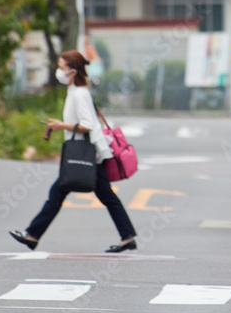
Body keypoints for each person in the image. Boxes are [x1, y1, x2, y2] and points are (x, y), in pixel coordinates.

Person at [9, 50, 137, 253]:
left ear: (73, 71)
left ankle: (32, 235)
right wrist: (61, 125)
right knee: (101, 196)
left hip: (86, 153)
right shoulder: (76, 92)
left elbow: (87, 125)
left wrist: (62, 126)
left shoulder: (80, 94)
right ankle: (127, 236)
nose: (58, 72)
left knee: (59, 193)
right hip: (88, 153)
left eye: (61, 68)